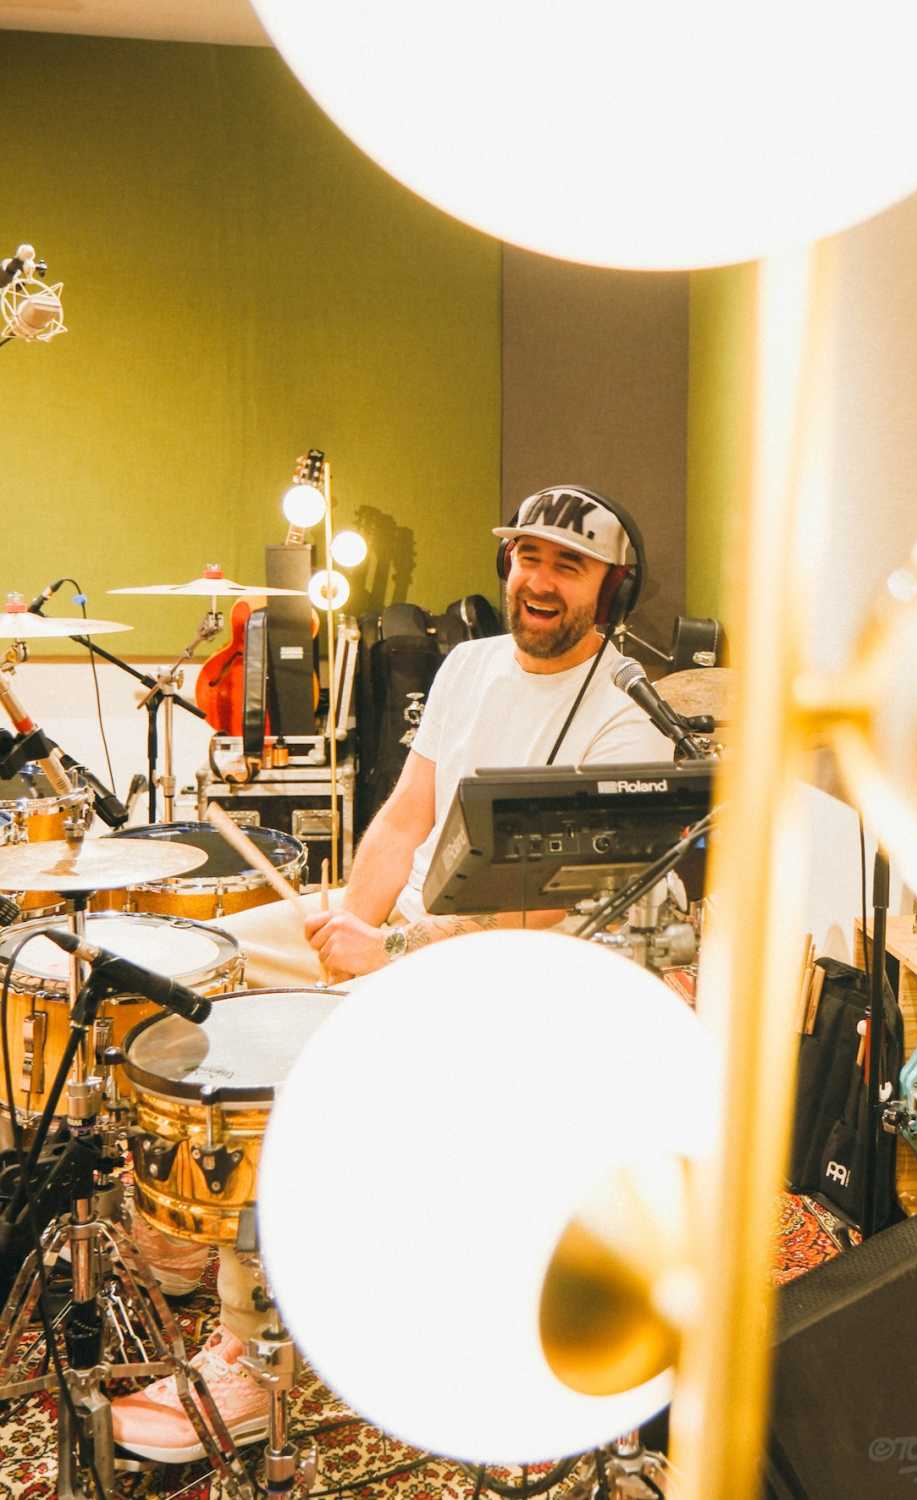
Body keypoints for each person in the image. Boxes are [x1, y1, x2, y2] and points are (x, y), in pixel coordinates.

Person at [111, 484, 674, 1463]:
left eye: (568, 566)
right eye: (526, 556)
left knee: (291, 1066)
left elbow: (543, 909)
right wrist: (356, 923)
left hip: (505, 964)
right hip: (406, 927)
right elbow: (409, 813)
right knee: (186, 969)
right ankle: (192, 1227)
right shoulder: (467, 664)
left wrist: (394, 957)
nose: (538, 582)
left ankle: (251, 1353)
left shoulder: (626, 719)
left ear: (612, 588)